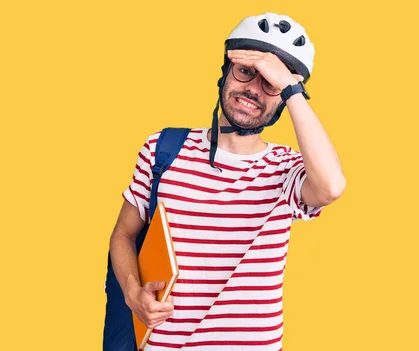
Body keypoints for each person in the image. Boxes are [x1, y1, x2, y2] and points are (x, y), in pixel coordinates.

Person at [107, 12, 345, 350]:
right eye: (246, 71)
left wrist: (292, 88)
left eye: (270, 82)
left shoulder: (286, 168)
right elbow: (124, 233)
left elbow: (331, 187)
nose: (253, 90)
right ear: (225, 71)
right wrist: (132, 293)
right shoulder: (161, 149)